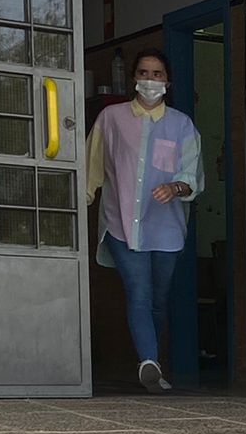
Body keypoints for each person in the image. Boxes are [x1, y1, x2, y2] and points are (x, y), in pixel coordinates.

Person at [86, 48, 204, 393]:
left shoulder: (181, 124)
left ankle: (153, 362)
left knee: (158, 299)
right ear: (133, 78)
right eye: (143, 73)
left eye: (157, 74)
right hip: (122, 223)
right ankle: (149, 361)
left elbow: (192, 174)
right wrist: (82, 201)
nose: (150, 80)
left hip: (166, 229)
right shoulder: (111, 118)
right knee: (139, 292)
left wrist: (175, 186)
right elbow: (91, 165)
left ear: (168, 81)